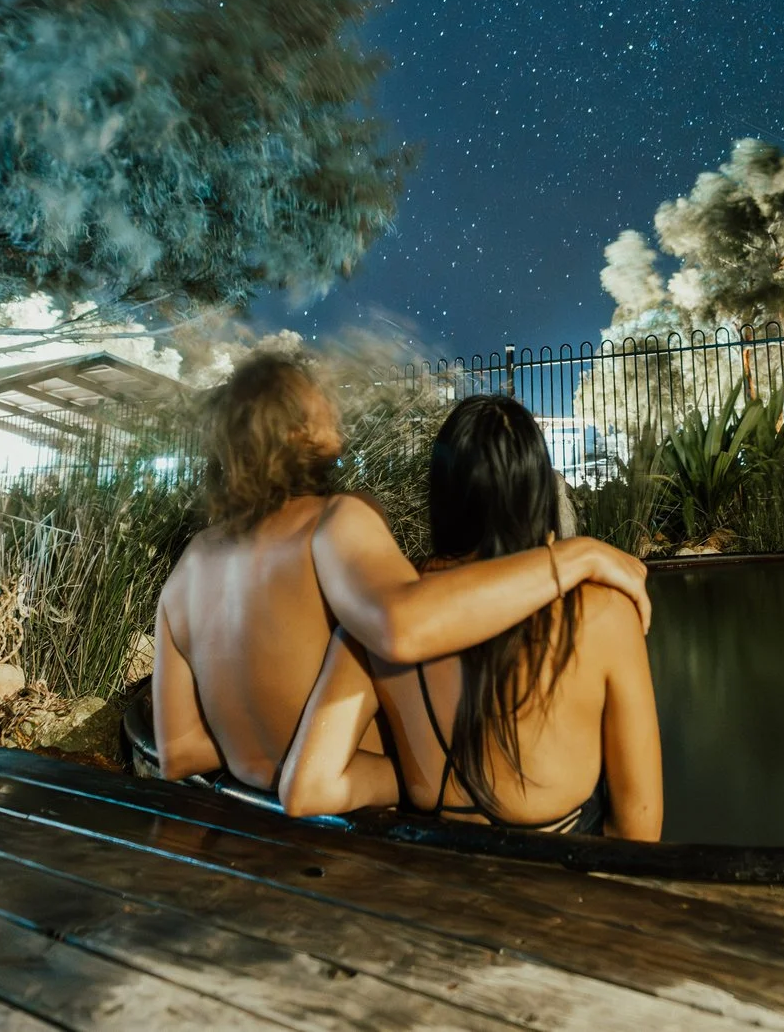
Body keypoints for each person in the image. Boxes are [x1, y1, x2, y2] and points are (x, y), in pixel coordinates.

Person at [152, 353, 652, 795]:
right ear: (289, 431)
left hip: (254, 826)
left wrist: (264, 750)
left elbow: (180, 752)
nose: (331, 399)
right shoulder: (335, 519)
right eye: (313, 394)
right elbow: (402, 628)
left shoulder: (189, 567)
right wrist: (576, 557)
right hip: (360, 831)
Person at [277, 394, 663, 839]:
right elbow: (640, 826)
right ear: (538, 491)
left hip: (436, 880)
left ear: (441, 494)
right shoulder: (603, 614)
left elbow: (310, 786)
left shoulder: (380, 618)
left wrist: (414, 776)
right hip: (562, 882)